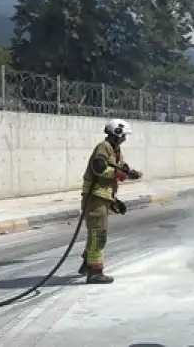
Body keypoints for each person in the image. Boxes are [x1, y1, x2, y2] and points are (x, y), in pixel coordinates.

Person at [77, 118, 142, 284]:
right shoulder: (103, 147)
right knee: (98, 235)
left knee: (95, 233)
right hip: (94, 198)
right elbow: (99, 169)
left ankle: (87, 264)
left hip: (101, 198)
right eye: (123, 135)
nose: (125, 139)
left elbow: (120, 167)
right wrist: (120, 175)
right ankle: (95, 272)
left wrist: (114, 200)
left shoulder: (115, 150)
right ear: (117, 133)